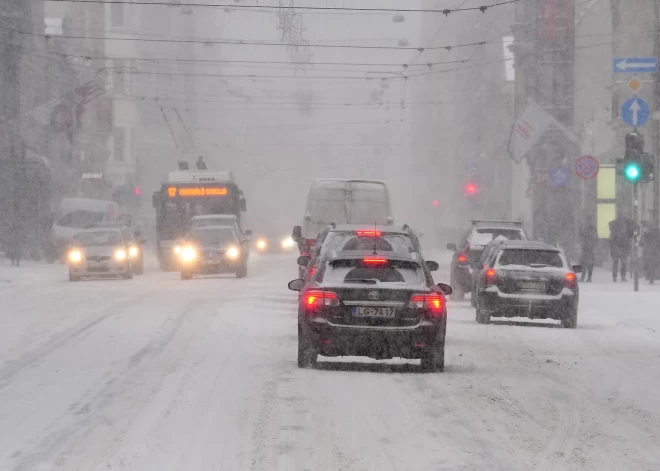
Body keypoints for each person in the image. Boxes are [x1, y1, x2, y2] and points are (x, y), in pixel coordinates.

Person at [609, 216, 635, 282]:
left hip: (616, 248)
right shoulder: (626, 229)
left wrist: (613, 246)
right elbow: (629, 238)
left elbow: (611, 239)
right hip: (623, 247)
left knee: (616, 262)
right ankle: (622, 277)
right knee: (623, 262)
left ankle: (615, 277)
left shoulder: (614, 229)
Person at [579, 217, 598, 282]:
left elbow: (595, 238)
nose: (587, 222)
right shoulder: (583, 228)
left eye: (588, 221)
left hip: (590, 248)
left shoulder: (592, 229)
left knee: (590, 263)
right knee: (582, 263)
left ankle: (589, 277)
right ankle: (583, 276)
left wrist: (594, 247)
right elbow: (580, 236)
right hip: (584, 248)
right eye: (586, 221)